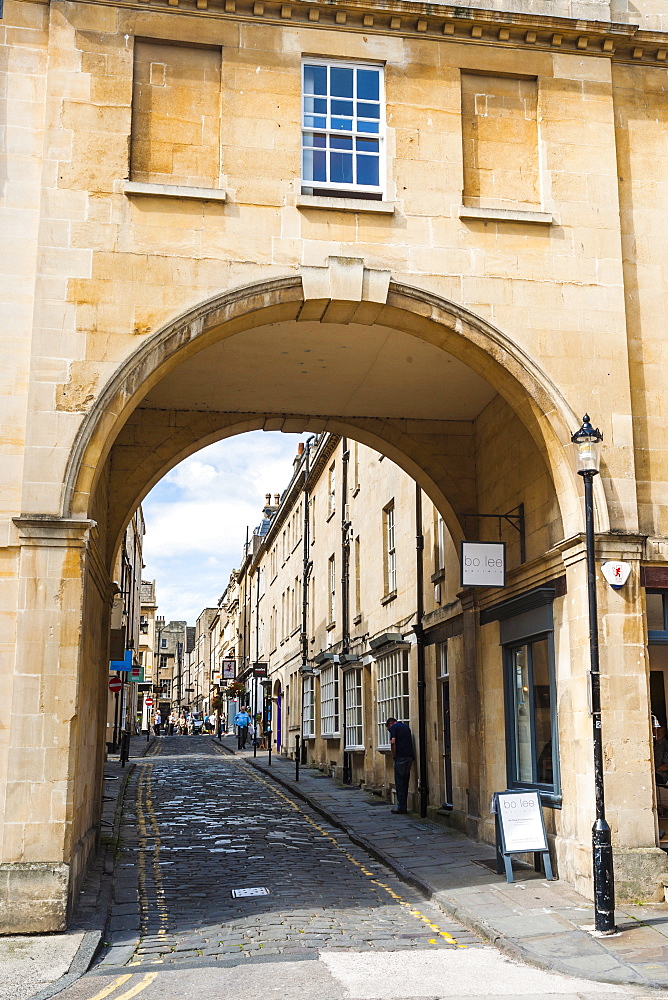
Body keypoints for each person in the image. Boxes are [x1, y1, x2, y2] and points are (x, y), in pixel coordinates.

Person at [385, 717, 414, 814]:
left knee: (400, 782)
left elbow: (393, 742)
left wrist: (394, 756)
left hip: (400, 757)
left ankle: (401, 807)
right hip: (409, 757)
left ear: (390, 724)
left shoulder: (394, 727)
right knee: (405, 782)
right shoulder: (406, 727)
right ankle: (404, 806)